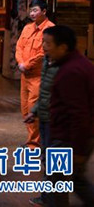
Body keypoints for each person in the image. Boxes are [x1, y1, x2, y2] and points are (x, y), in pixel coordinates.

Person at [42, 25, 94, 207]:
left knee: (57, 183)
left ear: (63, 47)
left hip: (67, 138)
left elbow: (78, 114)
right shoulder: (78, 63)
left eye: (48, 43)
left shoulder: (70, 72)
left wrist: (78, 150)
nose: (44, 47)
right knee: (74, 180)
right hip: (74, 137)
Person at [16, 0, 54, 149]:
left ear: (44, 11)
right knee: (25, 108)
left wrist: (27, 64)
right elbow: (19, 47)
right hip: (25, 75)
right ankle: (32, 139)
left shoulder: (50, 29)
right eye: (30, 10)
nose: (32, 13)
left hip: (38, 76)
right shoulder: (27, 28)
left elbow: (43, 53)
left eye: (35, 10)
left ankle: (35, 144)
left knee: (34, 108)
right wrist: (20, 63)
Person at [24, 54, 59, 206]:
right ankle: (47, 198)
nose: (44, 46)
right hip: (45, 118)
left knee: (59, 168)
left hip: (56, 122)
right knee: (48, 161)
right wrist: (34, 111)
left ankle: (52, 199)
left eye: (48, 43)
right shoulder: (47, 61)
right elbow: (44, 92)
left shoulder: (68, 67)